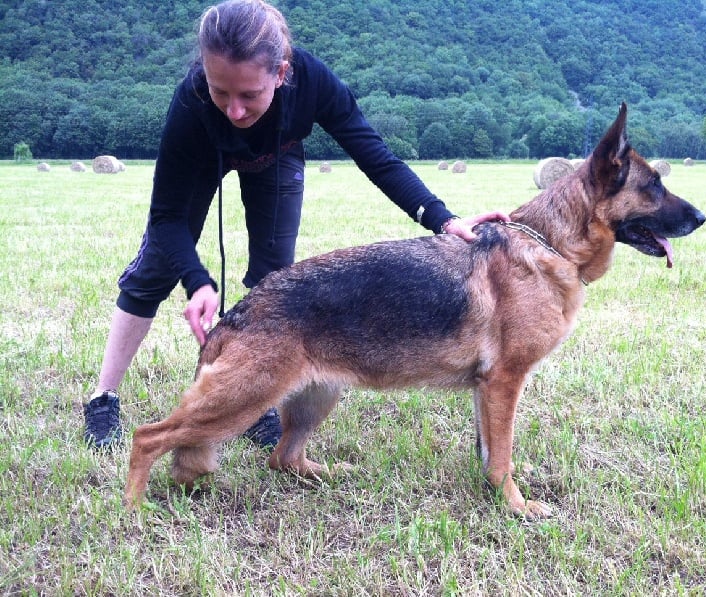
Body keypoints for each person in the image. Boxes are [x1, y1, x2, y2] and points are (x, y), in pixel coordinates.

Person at [83, 0, 509, 449]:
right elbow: (167, 217)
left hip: (275, 157)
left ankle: (255, 394)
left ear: (282, 73)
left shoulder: (313, 82)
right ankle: (102, 396)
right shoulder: (192, 102)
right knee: (155, 268)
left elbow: (375, 157)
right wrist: (197, 282)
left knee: (273, 278)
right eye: (220, 91)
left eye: (249, 94)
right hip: (204, 155)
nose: (234, 110)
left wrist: (442, 219)